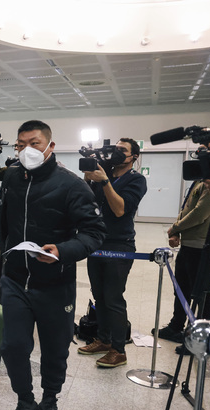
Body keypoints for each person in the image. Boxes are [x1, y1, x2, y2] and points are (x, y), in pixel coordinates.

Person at [0, 120, 105, 410]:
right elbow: (4, 213)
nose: (26, 150)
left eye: (34, 143)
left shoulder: (72, 185)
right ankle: (26, 402)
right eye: (20, 144)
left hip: (55, 283)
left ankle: (50, 401)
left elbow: (95, 233)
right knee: (13, 346)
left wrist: (61, 251)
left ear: (50, 145)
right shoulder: (11, 176)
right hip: (15, 279)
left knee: (55, 349)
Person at [78, 138, 147, 367]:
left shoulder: (136, 180)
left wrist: (105, 181)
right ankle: (104, 339)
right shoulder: (102, 175)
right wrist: (88, 181)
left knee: (113, 298)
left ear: (134, 156)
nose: (117, 153)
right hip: (96, 242)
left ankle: (119, 350)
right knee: (99, 296)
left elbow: (119, 210)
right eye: (115, 149)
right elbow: (88, 203)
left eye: (122, 150)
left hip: (119, 245)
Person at [155, 179, 210, 342]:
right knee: (182, 290)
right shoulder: (199, 181)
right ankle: (176, 326)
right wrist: (177, 233)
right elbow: (185, 210)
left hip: (202, 247)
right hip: (188, 246)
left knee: (202, 294)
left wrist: (175, 228)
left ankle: (199, 339)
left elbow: (199, 214)